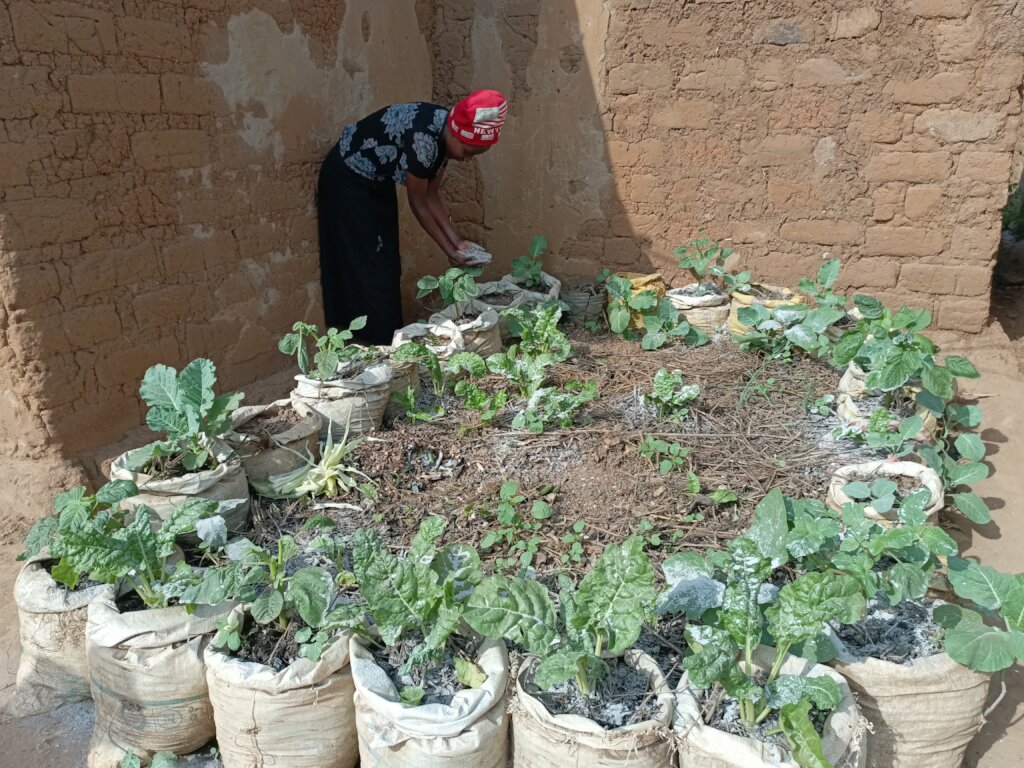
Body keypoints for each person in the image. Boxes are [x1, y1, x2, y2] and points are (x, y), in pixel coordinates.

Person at [317, 89, 508, 344]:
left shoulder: (444, 134)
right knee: (369, 264)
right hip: (348, 178)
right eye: (467, 150)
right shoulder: (424, 142)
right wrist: (450, 251)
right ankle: (375, 344)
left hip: (376, 180)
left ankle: (384, 338)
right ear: (455, 133)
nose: (466, 159)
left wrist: (458, 243)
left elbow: (432, 195)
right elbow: (418, 203)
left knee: (385, 261)